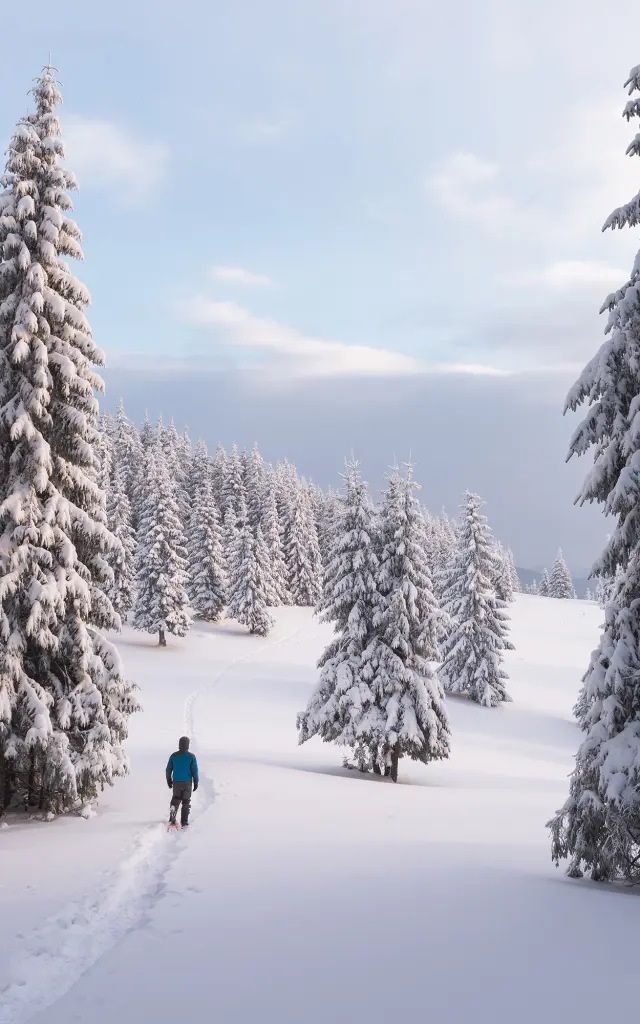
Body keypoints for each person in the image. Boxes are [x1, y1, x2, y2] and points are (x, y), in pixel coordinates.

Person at [166, 736, 199, 828]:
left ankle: (172, 814)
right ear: (188, 745)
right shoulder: (191, 757)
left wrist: (169, 780)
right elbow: (194, 771)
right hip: (187, 783)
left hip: (176, 782)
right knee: (186, 802)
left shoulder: (173, 756)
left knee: (176, 799)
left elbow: (168, 769)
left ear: (179, 744)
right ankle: (184, 822)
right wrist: (196, 782)